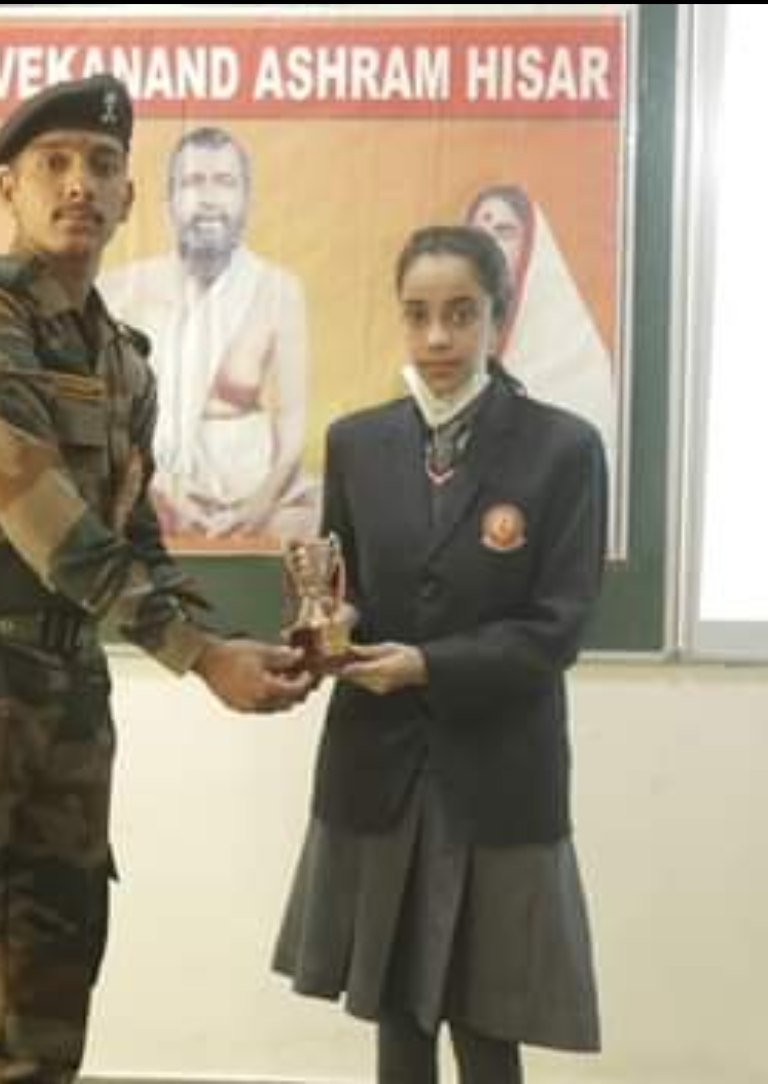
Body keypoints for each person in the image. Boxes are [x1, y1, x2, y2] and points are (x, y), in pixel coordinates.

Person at [0, 74, 312, 1084]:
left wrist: (225, 640)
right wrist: (199, 656)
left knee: (45, 1004)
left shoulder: (123, 359)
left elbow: (131, 533)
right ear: (9, 188)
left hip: (68, 697)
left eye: (102, 166)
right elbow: (42, 514)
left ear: (127, 196)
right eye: (54, 164)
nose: (79, 184)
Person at [273, 225, 607, 1083]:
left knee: (489, 1022)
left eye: (461, 314)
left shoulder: (563, 449)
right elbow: (346, 587)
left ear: (498, 317)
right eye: (418, 314)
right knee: (396, 1009)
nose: (437, 337)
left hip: (499, 771)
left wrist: (428, 665)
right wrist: (329, 621)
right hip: (378, 766)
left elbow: (557, 628)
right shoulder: (357, 442)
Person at [99, 126, 318, 543]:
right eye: (193, 182)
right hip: (149, 484)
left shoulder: (277, 290)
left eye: (225, 182)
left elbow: (291, 430)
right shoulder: (122, 290)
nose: (209, 199)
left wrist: (257, 508)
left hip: (249, 485)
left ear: (246, 199)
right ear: (169, 202)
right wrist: (157, 487)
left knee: (308, 521)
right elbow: (106, 422)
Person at [465, 183, 618, 490]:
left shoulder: (578, 359)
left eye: (504, 232)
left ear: (531, 246)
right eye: (479, 234)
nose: (489, 243)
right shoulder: (452, 344)